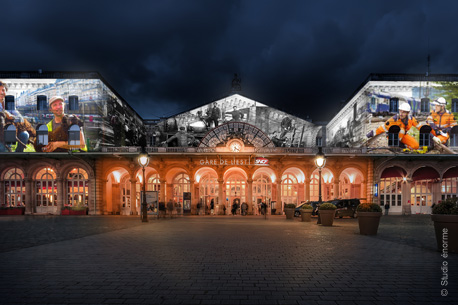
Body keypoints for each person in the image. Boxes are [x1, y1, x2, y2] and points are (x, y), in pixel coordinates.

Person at [0, 81, 36, 152]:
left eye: (3, 90)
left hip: (10, 130)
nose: (1, 92)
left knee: (25, 135)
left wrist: (11, 117)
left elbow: (20, 118)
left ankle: (17, 154)